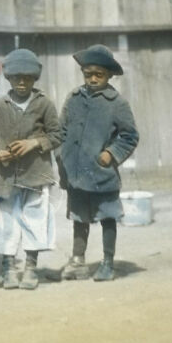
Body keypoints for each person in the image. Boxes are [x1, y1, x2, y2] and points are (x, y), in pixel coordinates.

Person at [58, 45, 139, 282]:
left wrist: (111, 154)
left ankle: (107, 262)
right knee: (78, 217)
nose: (93, 79)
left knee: (107, 216)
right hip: (76, 172)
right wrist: (62, 156)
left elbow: (130, 135)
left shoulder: (117, 103)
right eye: (88, 74)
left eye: (99, 75)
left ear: (109, 75)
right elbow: (61, 129)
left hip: (102, 172)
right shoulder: (73, 98)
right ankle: (78, 261)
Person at [0, 49, 61, 290]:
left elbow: (57, 135)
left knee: (35, 220)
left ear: (34, 78)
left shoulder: (44, 104)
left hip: (35, 174)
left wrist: (34, 143)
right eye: (17, 77)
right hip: (6, 176)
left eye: (27, 77)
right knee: (6, 222)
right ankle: (8, 268)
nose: (22, 82)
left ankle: (30, 267)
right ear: (8, 78)